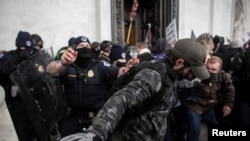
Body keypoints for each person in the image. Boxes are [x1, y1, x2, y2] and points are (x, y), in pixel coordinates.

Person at [59, 38, 210, 141]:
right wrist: (96, 133)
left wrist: (200, 80)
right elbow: (121, 100)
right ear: (179, 62)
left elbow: (178, 84)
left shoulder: (169, 74)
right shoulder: (153, 76)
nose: (191, 76)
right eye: (191, 71)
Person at [46, 35, 130, 139]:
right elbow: (50, 70)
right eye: (81, 45)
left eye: (87, 45)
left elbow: (118, 73)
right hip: (73, 119)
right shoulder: (68, 66)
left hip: (97, 120)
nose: (85, 47)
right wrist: (62, 63)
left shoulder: (100, 66)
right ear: (75, 49)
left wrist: (127, 69)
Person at [178, 56, 235, 141]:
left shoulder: (223, 77)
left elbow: (230, 90)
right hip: (193, 104)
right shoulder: (197, 73)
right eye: (207, 68)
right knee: (195, 129)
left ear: (219, 70)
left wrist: (228, 104)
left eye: (213, 69)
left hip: (208, 106)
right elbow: (183, 84)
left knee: (214, 126)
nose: (209, 71)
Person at [0, 31, 40, 141]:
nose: (25, 50)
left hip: (37, 99)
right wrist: (18, 60)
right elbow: (2, 69)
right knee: (22, 131)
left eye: (27, 48)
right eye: (22, 48)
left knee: (41, 131)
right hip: (18, 100)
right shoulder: (10, 56)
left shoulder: (38, 55)